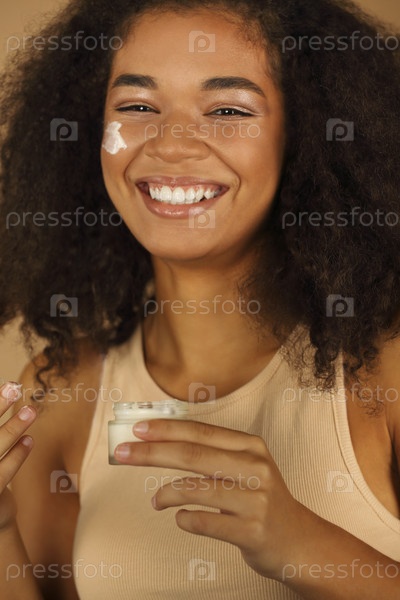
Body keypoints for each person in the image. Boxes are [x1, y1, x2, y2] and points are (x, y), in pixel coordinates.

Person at [0, 0, 399, 598]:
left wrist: (304, 545)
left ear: (305, 136)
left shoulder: (382, 366)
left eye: (228, 110)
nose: (171, 144)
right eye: (137, 106)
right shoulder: (61, 391)